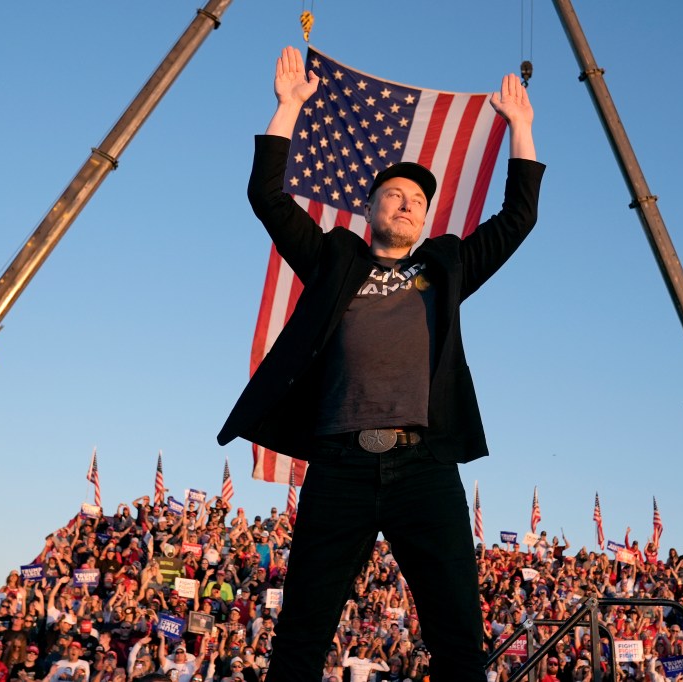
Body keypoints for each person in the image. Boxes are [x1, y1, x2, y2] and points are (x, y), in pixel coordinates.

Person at [215, 46, 542, 681]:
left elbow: (518, 219)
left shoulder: (444, 267)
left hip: (425, 465)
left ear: (425, 220)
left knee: (458, 639)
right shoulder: (337, 261)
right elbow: (268, 198)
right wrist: (287, 108)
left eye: (417, 198)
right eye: (393, 194)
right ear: (370, 211)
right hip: (339, 466)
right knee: (301, 636)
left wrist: (520, 129)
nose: (407, 202)